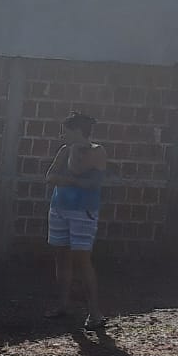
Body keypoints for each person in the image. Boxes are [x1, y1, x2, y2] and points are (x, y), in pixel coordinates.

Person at [45, 112, 108, 331]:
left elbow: (90, 181)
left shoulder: (97, 151)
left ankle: (95, 313)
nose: (62, 135)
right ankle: (63, 305)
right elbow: (50, 176)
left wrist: (67, 179)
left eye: (66, 131)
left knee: (82, 259)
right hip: (59, 208)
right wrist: (73, 180)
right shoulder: (64, 150)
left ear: (78, 131)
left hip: (83, 211)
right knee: (61, 257)